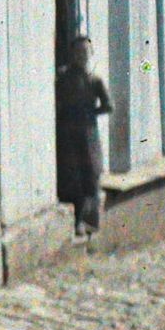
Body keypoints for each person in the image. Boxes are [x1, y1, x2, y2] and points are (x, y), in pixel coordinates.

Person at [56, 36, 113, 236]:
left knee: (90, 172)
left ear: (91, 54)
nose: (82, 56)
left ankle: (89, 221)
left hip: (88, 133)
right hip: (68, 133)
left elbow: (108, 106)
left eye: (86, 52)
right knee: (72, 175)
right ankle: (75, 223)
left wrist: (91, 113)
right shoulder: (63, 77)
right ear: (72, 54)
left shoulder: (94, 80)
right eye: (78, 52)